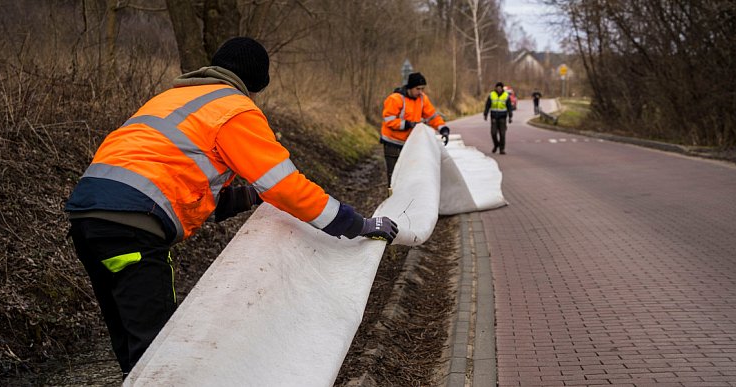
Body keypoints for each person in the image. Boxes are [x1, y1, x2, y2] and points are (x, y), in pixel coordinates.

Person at [64, 37, 398, 375]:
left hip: (87, 220)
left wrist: (252, 196)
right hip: (133, 227)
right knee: (156, 358)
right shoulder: (234, 109)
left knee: (130, 346)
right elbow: (287, 188)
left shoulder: (172, 99)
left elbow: (185, 192)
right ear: (254, 83)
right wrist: (357, 224)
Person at [380, 72, 450, 185]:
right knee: (394, 177)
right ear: (410, 87)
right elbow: (389, 121)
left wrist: (443, 129)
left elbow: (432, 116)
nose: (421, 92)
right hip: (392, 144)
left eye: (422, 89)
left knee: (408, 174)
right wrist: (407, 124)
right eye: (418, 89)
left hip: (409, 143)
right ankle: (394, 200)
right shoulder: (395, 99)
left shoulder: (422, 99)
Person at [483, 82, 514, 155]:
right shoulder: (492, 95)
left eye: (500, 88)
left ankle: (502, 149)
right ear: (496, 88)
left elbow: (509, 107)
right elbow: (487, 105)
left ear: (502, 88)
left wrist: (510, 116)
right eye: (497, 88)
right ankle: (496, 145)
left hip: (502, 117)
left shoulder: (506, 95)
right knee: (493, 133)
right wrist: (485, 114)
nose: (499, 89)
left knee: (502, 134)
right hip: (494, 116)